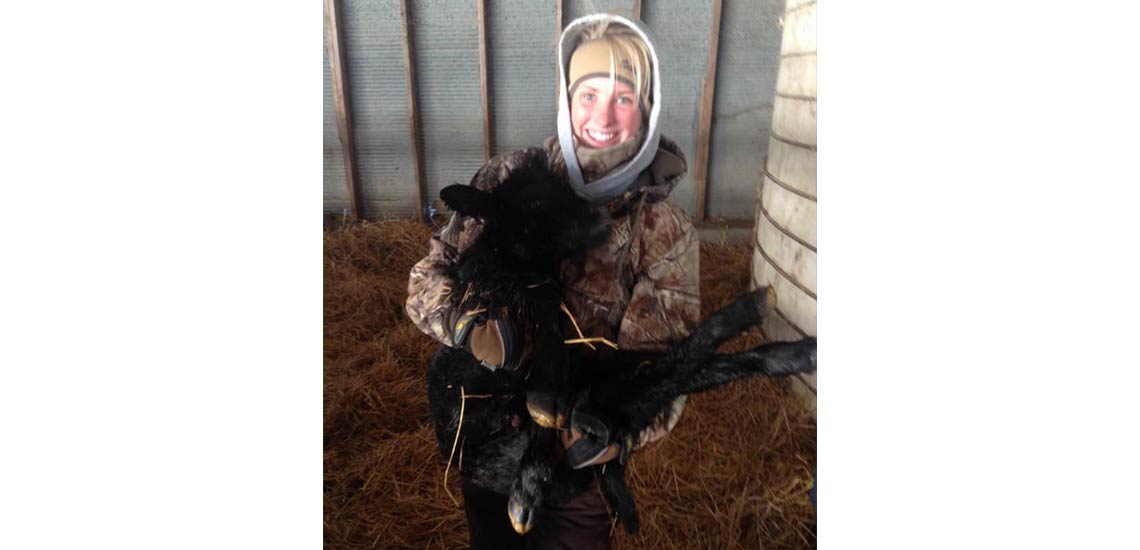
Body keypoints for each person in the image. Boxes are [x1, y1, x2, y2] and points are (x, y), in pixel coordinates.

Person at [406, 13, 699, 550]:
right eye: (587, 95)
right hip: (489, 441)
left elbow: (667, 372)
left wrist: (618, 431)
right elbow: (426, 280)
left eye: (623, 99)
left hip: (573, 469)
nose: (603, 116)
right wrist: (470, 325)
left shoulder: (664, 230)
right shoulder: (507, 179)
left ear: (648, 110)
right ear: (566, 101)